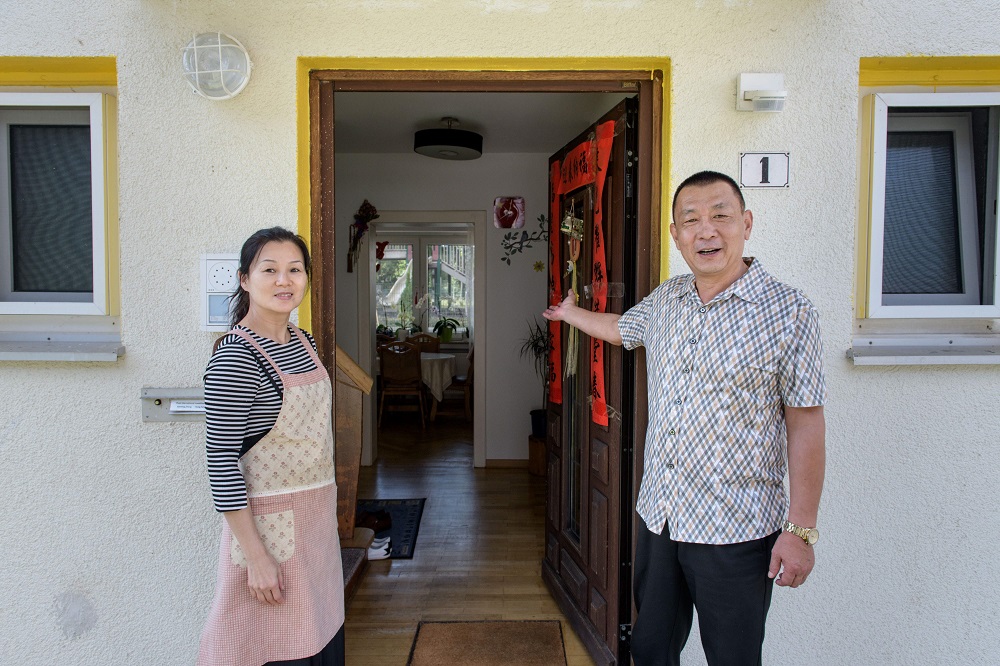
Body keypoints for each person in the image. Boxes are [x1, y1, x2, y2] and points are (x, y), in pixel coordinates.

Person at [542, 171, 826, 665]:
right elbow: (621, 328)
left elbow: (805, 424)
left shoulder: (790, 311)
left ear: (747, 223)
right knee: (651, 650)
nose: (707, 230)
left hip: (735, 532)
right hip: (661, 519)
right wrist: (571, 315)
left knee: (732, 658)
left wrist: (800, 531)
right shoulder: (668, 300)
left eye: (721, 216)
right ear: (675, 234)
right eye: (691, 220)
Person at [198, 227, 345, 666]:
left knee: (319, 640)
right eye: (270, 270)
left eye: (294, 270)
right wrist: (258, 558)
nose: (285, 281)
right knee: (277, 651)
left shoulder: (304, 341)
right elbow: (221, 463)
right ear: (245, 279)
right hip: (267, 539)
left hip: (316, 530)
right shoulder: (235, 358)